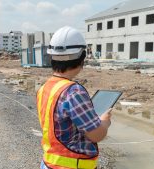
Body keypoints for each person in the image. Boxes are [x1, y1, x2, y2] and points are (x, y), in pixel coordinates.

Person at [37, 26, 112, 169]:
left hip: (48, 164)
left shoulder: (45, 88)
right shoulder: (73, 92)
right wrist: (104, 122)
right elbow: (96, 135)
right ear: (82, 57)